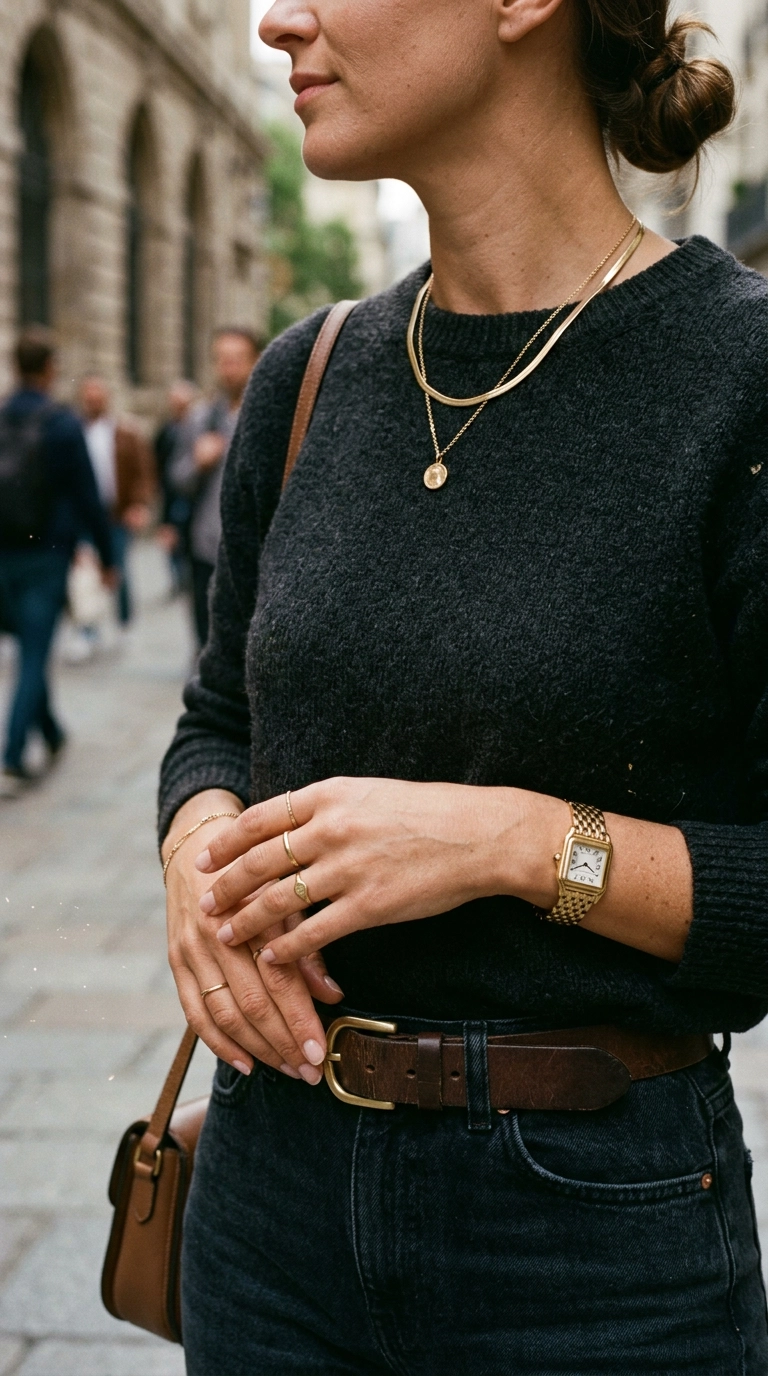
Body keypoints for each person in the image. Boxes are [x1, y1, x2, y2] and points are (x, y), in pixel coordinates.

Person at [158, 0, 768, 1371]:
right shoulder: (310, 375)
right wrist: (199, 853)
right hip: (267, 1202)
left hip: (597, 1238)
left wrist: (513, 843)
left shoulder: (740, 377)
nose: (277, 20)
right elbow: (218, 724)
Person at [0, 328, 114, 796]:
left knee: (30, 644)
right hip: (46, 555)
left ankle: (50, 732)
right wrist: (107, 556)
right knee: (33, 653)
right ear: (49, 368)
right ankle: (11, 757)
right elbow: (88, 496)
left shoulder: (1, 416)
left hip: (3, 554)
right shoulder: (62, 424)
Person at [170, 329, 262, 647]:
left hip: (256, 551)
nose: (228, 368)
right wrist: (198, 462)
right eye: (222, 360)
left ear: (256, 361)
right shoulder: (200, 417)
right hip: (206, 548)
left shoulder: (268, 415)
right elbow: (176, 479)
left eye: (237, 360)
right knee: (206, 639)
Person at [78, 376, 155, 626]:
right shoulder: (76, 432)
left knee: (118, 565)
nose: (93, 399)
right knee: (86, 573)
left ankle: (123, 621)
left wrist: (139, 505)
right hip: (86, 515)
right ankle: (89, 626)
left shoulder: (125, 432)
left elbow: (143, 472)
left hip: (117, 513)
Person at [154, 380, 198, 595]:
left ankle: (187, 577)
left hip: (195, 498)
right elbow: (158, 467)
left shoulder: (200, 426)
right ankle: (179, 579)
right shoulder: (166, 431)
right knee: (172, 539)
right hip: (173, 496)